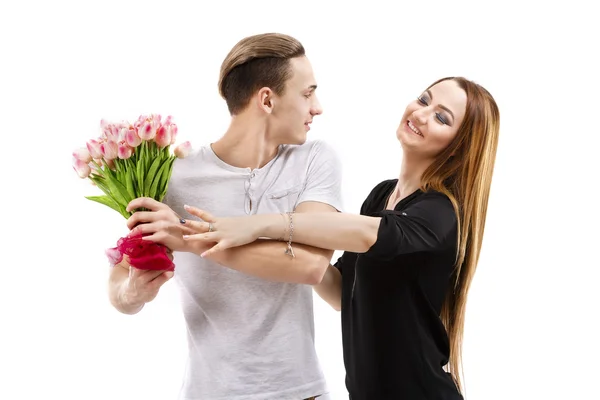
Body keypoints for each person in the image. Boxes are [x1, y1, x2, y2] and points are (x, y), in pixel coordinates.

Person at [171, 76, 501, 399]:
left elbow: (363, 233)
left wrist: (257, 225)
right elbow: (340, 290)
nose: (421, 114)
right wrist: (289, 237)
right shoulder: (382, 196)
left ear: (458, 149)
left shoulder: (441, 212)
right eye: (424, 99)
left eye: (442, 118)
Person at [111, 33, 344, 400]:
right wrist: (131, 292)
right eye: (307, 93)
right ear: (267, 99)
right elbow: (120, 286)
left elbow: (311, 265)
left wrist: (187, 239)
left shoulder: (314, 160)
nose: (317, 107)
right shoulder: (175, 177)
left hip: (300, 392)